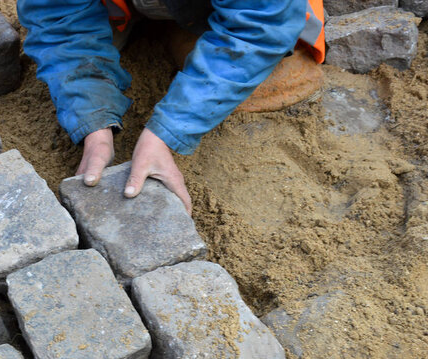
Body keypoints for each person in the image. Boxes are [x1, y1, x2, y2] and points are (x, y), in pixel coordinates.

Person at [16, 0, 325, 215]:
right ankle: (159, 27)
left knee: (273, 83)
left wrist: (166, 133)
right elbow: (55, 17)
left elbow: (261, 24)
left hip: (258, 9)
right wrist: (93, 123)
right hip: (125, 6)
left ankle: (196, 31)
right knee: (71, 59)